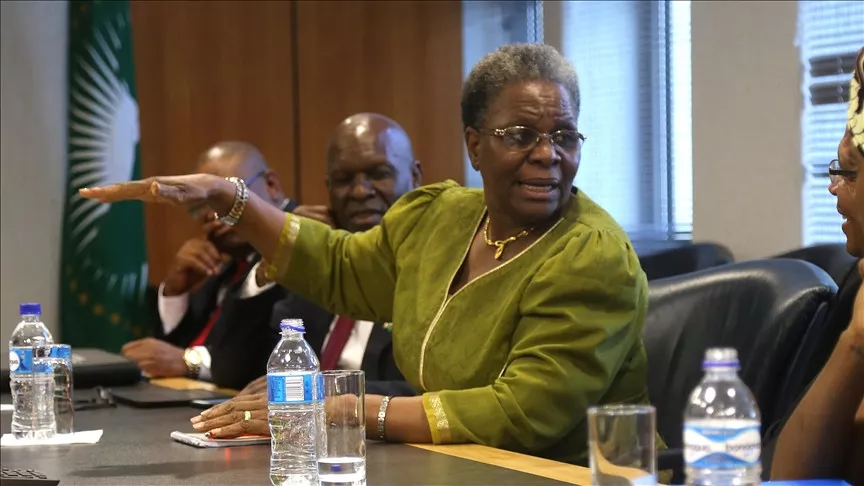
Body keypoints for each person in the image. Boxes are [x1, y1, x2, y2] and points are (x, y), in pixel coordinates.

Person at [81, 43, 655, 465]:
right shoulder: (439, 217)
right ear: (475, 145)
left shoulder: (591, 255)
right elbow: (340, 268)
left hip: (570, 473)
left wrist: (343, 408)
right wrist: (231, 198)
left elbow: (522, 412)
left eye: (564, 136)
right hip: (461, 465)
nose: (548, 154)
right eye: (522, 135)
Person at [226, 113, 421, 413]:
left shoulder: (436, 266)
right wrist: (271, 264)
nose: (360, 191)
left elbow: (437, 392)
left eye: (379, 174)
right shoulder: (319, 266)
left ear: (415, 177)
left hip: (383, 436)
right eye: (343, 180)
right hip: (298, 433)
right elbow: (232, 370)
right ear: (328, 187)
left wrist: (322, 389)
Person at [120, 142, 291, 390]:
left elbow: (275, 354)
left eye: (224, 197)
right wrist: (175, 292)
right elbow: (169, 355)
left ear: (271, 185)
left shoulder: (300, 247)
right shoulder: (226, 261)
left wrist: (190, 362)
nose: (212, 214)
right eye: (202, 205)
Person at [771, 48, 864, 484]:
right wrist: (856, 342)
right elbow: (791, 477)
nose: (834, 188)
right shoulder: (856, 289)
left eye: (850, 171)